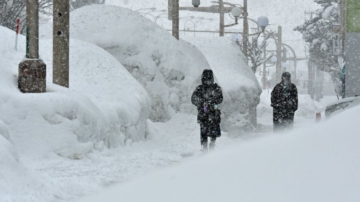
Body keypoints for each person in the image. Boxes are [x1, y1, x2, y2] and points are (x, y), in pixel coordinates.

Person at [191, 69, 223, 151]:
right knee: (204, 132)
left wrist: (213, 104)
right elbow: (193, 99)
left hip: (214, 114)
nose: (208, 82)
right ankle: (204, 148)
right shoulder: (200, 88)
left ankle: (212, 144)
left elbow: (220, 99)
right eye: (206, 80)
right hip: (203, 114)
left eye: (209, 80)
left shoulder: (216, 88)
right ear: (203, 79)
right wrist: (201, 103)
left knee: (214, 132)